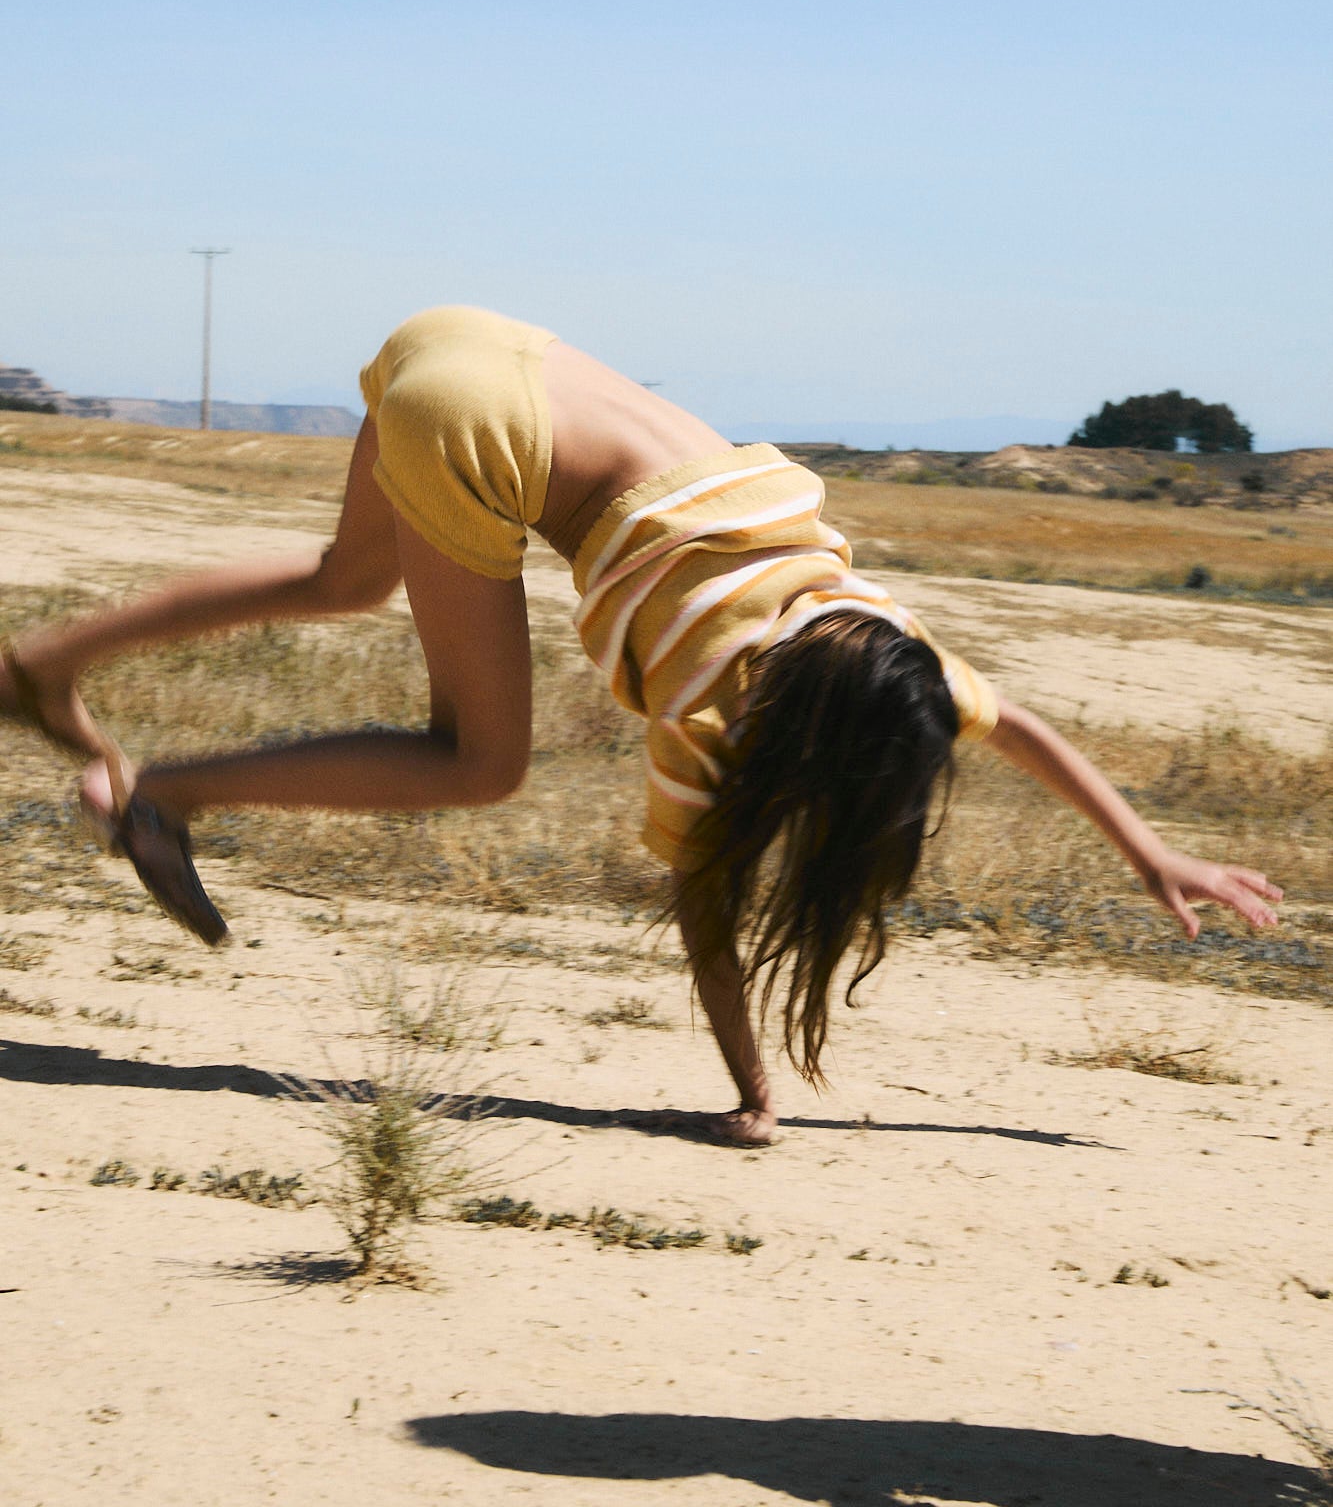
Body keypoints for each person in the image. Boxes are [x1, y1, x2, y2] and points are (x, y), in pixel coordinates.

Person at [0, 306, 1283, 1144]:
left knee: (346, 581)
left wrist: (1147, 849)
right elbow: (710, 901)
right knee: (480, 763)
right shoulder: (721, 704)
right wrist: (751, 1089)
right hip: (483, 425)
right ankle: (165, 794)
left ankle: (49, 661)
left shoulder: (860, 639)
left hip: (479, 339)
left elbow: (1016, 724)